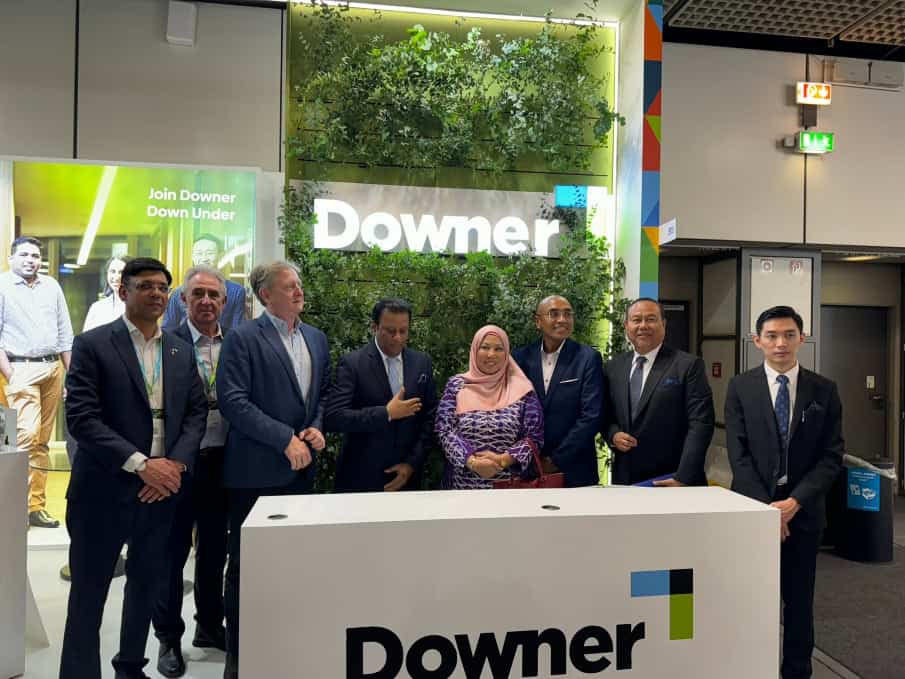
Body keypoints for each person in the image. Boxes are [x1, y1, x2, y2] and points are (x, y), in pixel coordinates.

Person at [60, 257, 207, 679]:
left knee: (145, 586)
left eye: (162, 287)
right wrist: (142, 465)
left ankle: (130, 668)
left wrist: (174, 465)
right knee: (89, 595)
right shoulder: (92, 344)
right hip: (103, 491)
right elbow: (82, 418)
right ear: (123, 291)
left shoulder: (178, 349)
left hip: (160, 491)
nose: (156, 294)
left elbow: (196, 412)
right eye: (145, 286)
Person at [216, 261, 330, 678]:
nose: (299, 291)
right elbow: (233, 401)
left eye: (299, 284)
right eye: (289, 286)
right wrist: (284, 438)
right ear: (265, 295)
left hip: (301, 474)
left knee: (292, 565)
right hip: (255, 473)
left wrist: (316, 427)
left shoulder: (315, 338)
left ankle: (285, 645)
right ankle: (239, 653)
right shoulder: (243, 338)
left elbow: (321, 394)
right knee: (246, 568)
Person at [725, 306, 843, 679]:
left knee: (799, 603)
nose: (781, 343)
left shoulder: (823, 389)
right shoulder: (740, 387)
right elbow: (738, 455)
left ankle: (797, 671)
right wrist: (768, 510)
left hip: (803, 514)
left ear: (801, 339)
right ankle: (751, 669)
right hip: (752, 512)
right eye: (772, 336)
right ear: (757, 341)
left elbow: (831, 456)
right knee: (751, 600)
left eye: (789, 335)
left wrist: (794, 503)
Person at [153, 266, 231, 677]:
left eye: (213, 295)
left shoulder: (235, 343)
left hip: (223, 462)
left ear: (224, 301)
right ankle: (168, 636)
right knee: (172, 552)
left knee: (215, 549)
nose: (206, 301)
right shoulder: (166, 343)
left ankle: (209, 625)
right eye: (197, 293)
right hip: (178, 463)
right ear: (183, 300)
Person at [0, 235, 74, 528]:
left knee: (42, 441)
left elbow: (65, 334)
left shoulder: (51, 286)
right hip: (19, 368)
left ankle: (35, 507)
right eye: (25, 255)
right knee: (24, 438)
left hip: (52, 368)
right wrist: (11, 373)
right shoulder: (3, 285)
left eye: (35, 256)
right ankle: (14, 507)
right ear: (11, 258)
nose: (31, 260)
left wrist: (71, 376)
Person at [326, 298, 437, 492]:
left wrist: (411, 464)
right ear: (374, 327)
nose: (398, 338)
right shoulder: (353, 364)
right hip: (361, 479)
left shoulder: (422, 363)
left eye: (403, 331)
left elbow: (430, 418)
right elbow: (334, 417)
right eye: (390, 331)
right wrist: (386, 413)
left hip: (407, 479)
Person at [601, 297, 714, 485]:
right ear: (627, 326)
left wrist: (683, 476)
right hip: (625, 477)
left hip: (672, 477)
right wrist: (613, 434)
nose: (643, 326)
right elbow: (605, 415)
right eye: (636, 320)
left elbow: (701, 423)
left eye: (651, 319)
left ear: (664, 324)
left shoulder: (688, 365)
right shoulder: (613, 367)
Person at [435, 325, 543, 489]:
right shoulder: (456, 385)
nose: (491, 354)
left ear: (506, 354)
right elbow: (444, 430)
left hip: (509, 489)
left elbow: (534, 437)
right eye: (485, 347)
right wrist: (472, 462)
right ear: (475, 350)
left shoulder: (523, 390)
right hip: (461, 488)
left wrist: (503, 460)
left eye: (498, 349)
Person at [513, 295, 603, 487]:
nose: (562, 319)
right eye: (554, 314)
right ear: (538, 321)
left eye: (567, 314)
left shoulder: (588, 358)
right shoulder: (520, 358)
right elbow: (513, 411)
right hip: (529, 467)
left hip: (575, 469)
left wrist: (555, 460)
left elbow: (591, 416)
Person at [162, 233, 247, 331]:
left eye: (210, 253)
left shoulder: (236, 291)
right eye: (199, 253)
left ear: (221, 256)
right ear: (193, 257)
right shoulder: (178, 293)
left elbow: (238, 330)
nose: (204, 258)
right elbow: (167, 329)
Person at [83, 255, 132, 331]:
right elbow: (86, 337)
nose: (116, 277)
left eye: (121, 272)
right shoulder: (97, 308)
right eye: (112, 271)